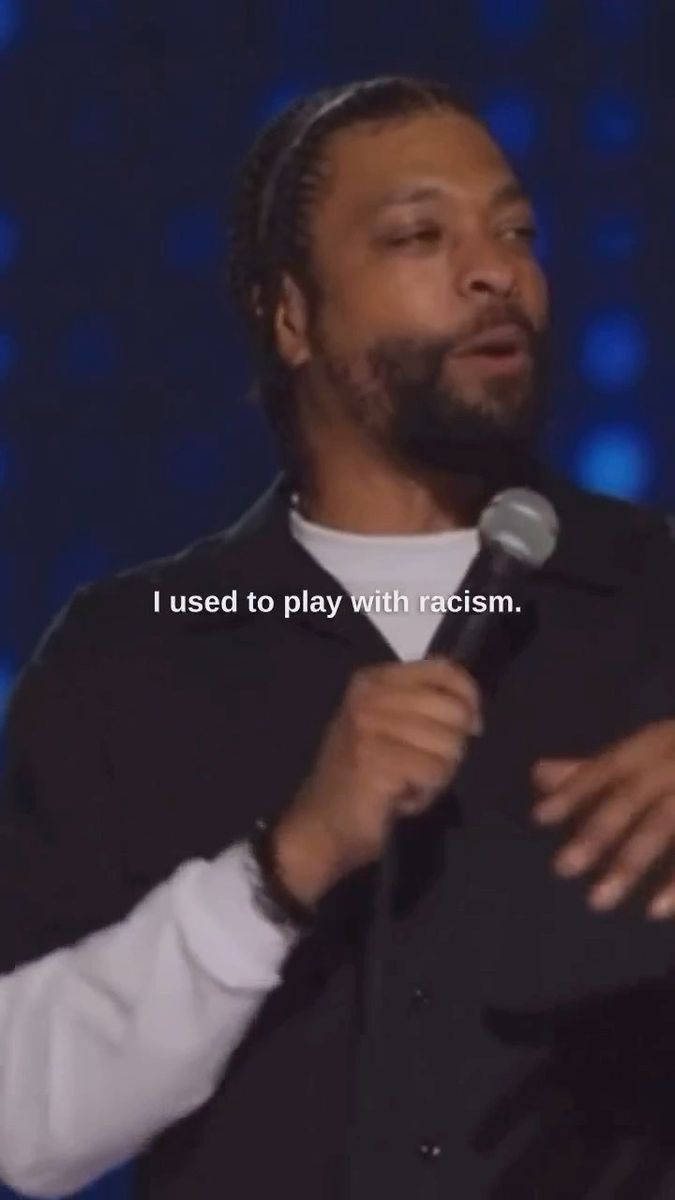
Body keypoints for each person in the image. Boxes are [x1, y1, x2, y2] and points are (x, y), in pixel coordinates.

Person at [3, 74, 675, 1200]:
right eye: (420, 233)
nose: (495, 270)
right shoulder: (135, 655)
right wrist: (284, 867)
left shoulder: (660, 595)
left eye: (517, 231)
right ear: (292, 315)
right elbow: (21, 1117)